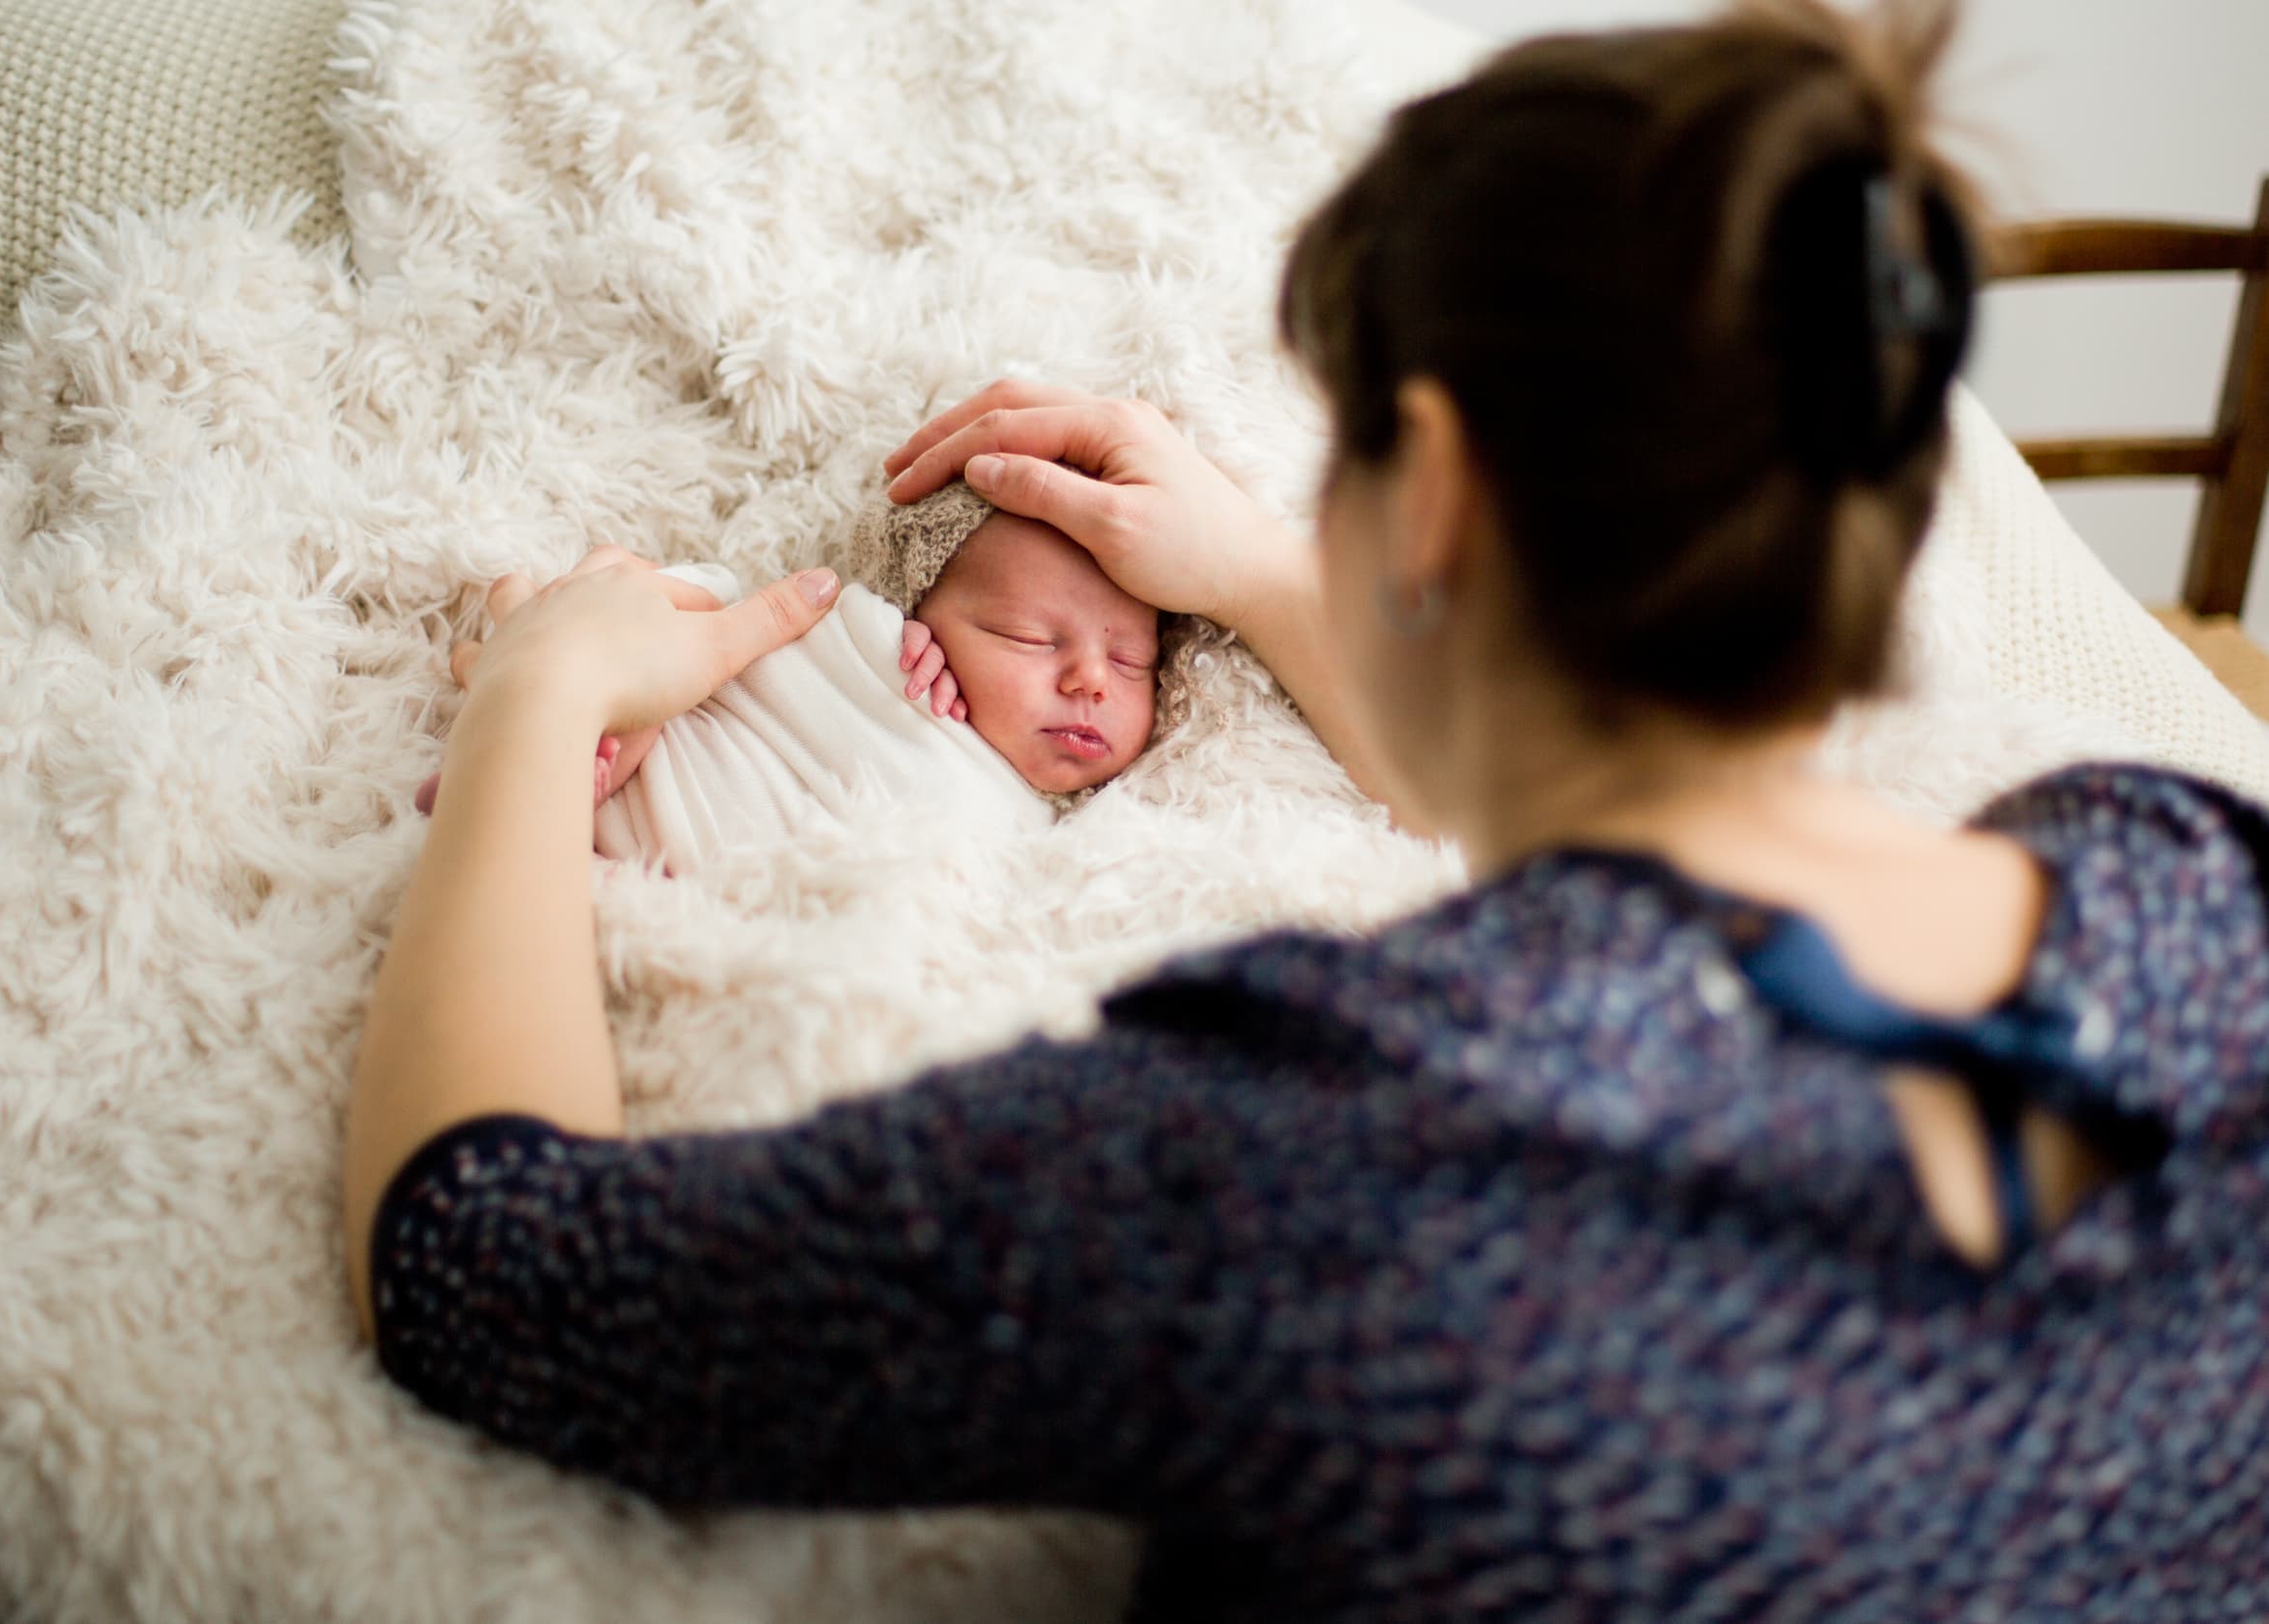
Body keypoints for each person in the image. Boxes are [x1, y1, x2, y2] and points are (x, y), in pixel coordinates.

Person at [343, 1, 2269, 1617]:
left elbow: (487, 1270)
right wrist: (1263, 570)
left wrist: (536, 704)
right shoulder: (2190, 887)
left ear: (1419, 488)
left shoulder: (1309, 1158)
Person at [409, 484, 1162, 872]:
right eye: (1025, 636)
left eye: (1134, 661)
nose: (1092, 679)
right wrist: (678, 601)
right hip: (623, 779)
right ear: (922, 613)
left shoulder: (1068, 841)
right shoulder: (863, 637)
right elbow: (723, 603)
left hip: (669, 909)